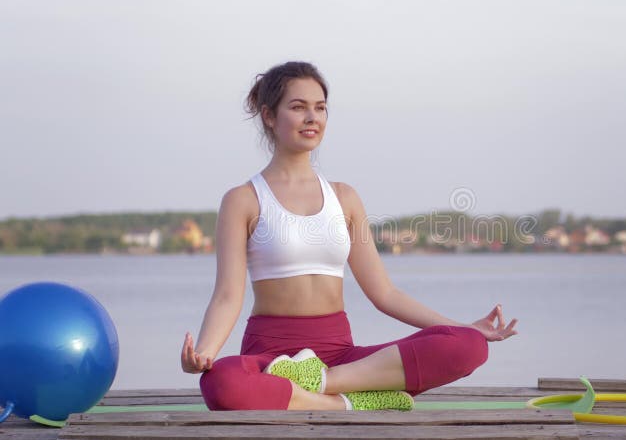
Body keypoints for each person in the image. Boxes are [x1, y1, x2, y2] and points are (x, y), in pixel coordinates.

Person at [180, 61, 518, 411]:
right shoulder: (243, 200)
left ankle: (322, 385)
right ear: (269, 116)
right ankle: (348, 404)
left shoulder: (345, 198)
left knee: (469, 346)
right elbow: (227, 296)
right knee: (221, 381)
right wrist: (204, 352)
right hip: (271, 357)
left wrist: (465, 327)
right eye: (298, 107)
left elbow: (384, 293)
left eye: (320, 108)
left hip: (342, 359)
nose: (312, 117)